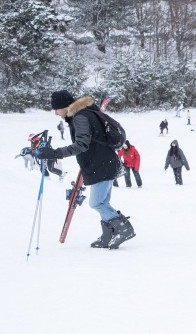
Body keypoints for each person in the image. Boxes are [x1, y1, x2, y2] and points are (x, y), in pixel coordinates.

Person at [37, 91, 135, 249]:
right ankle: (108, 233)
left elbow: (82, 144)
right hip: (105, 163)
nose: (56, 113)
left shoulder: (80, 117)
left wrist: (56, 153)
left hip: (101, 165)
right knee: (102, 202)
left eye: (56, 109)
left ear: (65, 106)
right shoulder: (84, 113)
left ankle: (123, 228)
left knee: (96, 203)